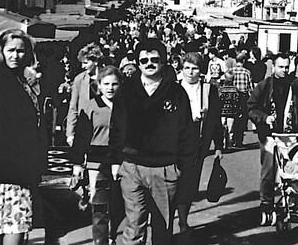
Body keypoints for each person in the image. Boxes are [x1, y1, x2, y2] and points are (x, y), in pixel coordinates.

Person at [110, 38, 195, 245]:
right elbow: (117, 127)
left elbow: (186, 132)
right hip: (132, 168)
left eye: (154, 59)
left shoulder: (176, 93)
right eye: (144, 60)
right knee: (134, 224)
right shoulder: (126, 90)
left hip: (164, 169)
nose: (149, 63)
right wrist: (115, 161)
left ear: (163, 61)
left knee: (163, 227)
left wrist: (183, 166)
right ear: (137, 63)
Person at [0, 29, 48, 245]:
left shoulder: (15, 78)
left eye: (20, 51)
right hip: (12, 167)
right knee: (15, 223)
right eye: (11, 50)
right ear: (1, 51)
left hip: (3, 167)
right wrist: (26, 166)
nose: (15, 55)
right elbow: (4, 129)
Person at [248, 53, 298, 223]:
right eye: (281, 67)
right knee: (269, 171)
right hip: (270, 135)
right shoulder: (264, 86)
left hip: (292, 134)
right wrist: (264, 118)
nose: (284, 70)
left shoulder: (297, 84)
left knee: (292, 170)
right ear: (273, 67)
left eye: (286, 67)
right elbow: (251, 108)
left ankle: (290, 202)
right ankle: (266, 204)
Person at [71, 66, 125, 245]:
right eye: (106, 84)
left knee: (119, 205)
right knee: (100, 207)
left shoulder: (125, 107)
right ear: (99, 85)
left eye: (114, 84)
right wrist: (77, 164)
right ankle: (100, 241)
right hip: (97, 163)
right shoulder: (91, 106)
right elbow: (82, 136)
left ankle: (113, 235)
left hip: (121, 162)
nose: (110, 88)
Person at [174, 52, 223, 240]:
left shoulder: (209, 90)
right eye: (186, 68)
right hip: (175, 142)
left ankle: (183, 221)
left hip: (198, 141)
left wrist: (219, 145)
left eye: (194, 68)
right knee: (172, 183)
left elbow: (215, 119)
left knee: (190, 184)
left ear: (200, 71)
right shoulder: (174, 87)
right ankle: (170, 220)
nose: (190, 72)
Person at [66, 43, 104, 147]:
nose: (83, 66)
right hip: (85, 128)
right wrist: (70, 133)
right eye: (82, 63)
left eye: (86, 63)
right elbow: (73, 107)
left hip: (104, 130)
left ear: (95, 61)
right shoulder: (79, 79)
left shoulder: (108, 77)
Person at [231, 51, 254, 149]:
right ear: (243, 61)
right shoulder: (247, 72)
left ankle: (232, 140)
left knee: (234, 118)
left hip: (233, 96)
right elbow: (250, 87)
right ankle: (239, 141)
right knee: (243, 118)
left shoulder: (231, 71)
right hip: (243, 96)